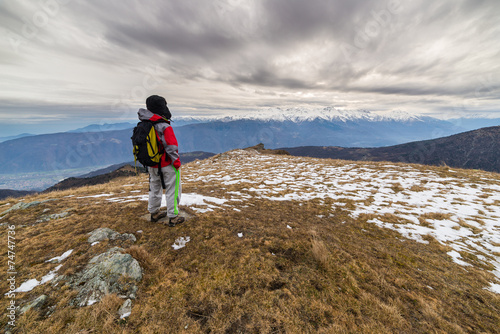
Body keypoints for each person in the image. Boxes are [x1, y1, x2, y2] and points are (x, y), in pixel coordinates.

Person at [138, 95, 185, 226]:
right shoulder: (164, 126)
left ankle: (154, 213)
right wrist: (176, 162)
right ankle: (173, 216)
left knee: (154, 187)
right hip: (167, 163)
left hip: (152, 163)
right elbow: (171, 147)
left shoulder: (144, 124)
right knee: (173, 188)